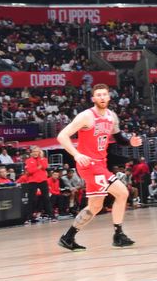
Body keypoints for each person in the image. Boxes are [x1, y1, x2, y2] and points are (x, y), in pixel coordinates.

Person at [56, 83, 143, 251]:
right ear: (93, 98)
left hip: (101, 164)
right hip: (89, 165)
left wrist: (130, 142)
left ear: (109, 97)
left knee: (95, 206)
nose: (102, 97)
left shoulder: (112, 116)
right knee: (123, 192)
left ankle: (68, 237)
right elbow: (62, 136)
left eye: (105, 94)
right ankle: (118, 235)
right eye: (99, 95)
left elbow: (119, 139)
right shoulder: (86, 116)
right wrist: (76, 154)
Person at [22, 146, 52, 223]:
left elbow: (45, 166)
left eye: (37, 151)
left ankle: (51, 216)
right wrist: (38, 167)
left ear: (39, 152)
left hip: (43, 180)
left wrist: (41, 159)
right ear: (31, 153)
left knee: (46, 198)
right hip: (32, 181)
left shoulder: (43, 159)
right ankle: (29, 218)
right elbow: (30, 171)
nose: (36, 153)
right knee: (31, 199)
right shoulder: (28, 160)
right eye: (34, 151)